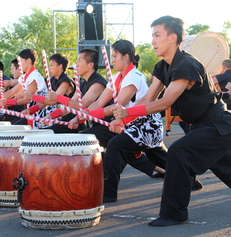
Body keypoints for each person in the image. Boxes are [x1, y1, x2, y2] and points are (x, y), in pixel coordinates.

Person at [112, 16, 231, 226]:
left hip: (218, 124)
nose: (153, 41)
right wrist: (126, 117)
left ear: (172, 37)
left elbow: (164, 102)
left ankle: (174, 213)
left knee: (179, 152)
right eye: (152, 36)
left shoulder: (187, 65)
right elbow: (148, 99)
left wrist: (126, 113)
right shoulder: (162, 67)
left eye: (157, 35)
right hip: (206, 127)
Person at [69, 40, 167, 203]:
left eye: (115, 56)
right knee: (87, 138)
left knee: (116, 146)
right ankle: (188, 179)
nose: (112, 60)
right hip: (126, 123)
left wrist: (90, 114)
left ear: (126, 57)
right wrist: (79, 116)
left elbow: (117, 106)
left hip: (145, 125)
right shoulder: (115, 78)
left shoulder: (134, 76)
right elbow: (98, 104)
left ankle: (108, 193)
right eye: (112, 57)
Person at [22, 53, 76, 131]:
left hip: (68, 119)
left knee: (44, 134)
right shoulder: (53, 80)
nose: (49, 68)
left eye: (52, 65)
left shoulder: (66, 81)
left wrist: (32, 97)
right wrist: (30, 110)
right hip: (57, 116)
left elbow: (53, 101)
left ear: (60, 66)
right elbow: (45, 101)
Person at [0, 49, 47, 125]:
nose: (19, 64)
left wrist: (7, 102)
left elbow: (27, 99)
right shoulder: (25, 76)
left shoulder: (34, 76)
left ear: (28, 61)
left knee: (13, 129)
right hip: (31, 112)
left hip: (41, 114)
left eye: (21, 61)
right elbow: (13, 91)